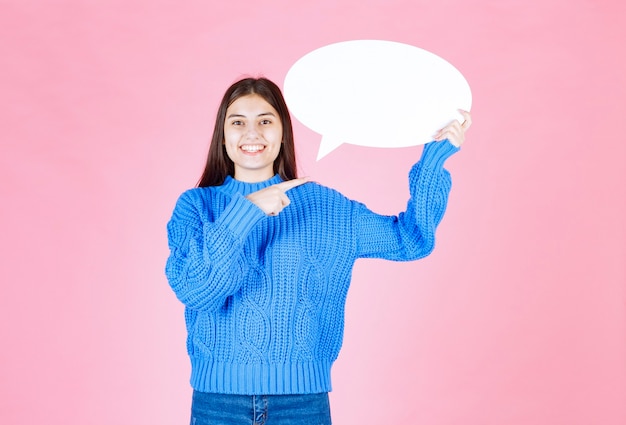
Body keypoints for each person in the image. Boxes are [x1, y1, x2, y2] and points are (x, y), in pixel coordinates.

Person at [165, 77, 471, 425]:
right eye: (238, 122)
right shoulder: (196, 205)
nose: (252, 133)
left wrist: (433, 162)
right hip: (217, 404)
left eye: (265, 121)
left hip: (302, 405)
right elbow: (198, 291)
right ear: (224, 136)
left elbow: (410, 239)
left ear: (283, 133)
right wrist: (246, 211)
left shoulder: (325, 206)